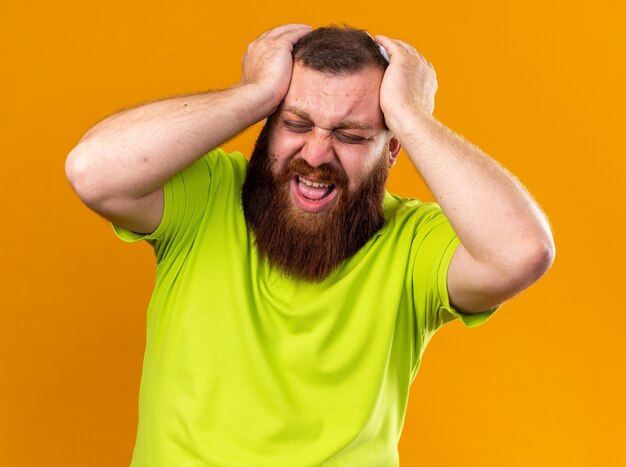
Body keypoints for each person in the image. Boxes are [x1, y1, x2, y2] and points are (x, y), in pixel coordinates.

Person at [65, 24, 555, 466]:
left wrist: (409, 114)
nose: (317, 153)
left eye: (351, 134)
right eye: (295, 124)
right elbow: (93, 172)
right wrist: (254, 93)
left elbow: (521, 253)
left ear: (392, 147)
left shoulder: (412, 244)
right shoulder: (208, 197)